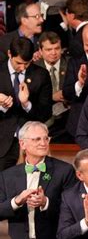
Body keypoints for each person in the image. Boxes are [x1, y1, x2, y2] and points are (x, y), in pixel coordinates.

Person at [0, 121, 76, 239]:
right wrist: (17, 201)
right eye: (37, 139)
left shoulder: (65, 170)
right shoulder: (7, 175)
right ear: (23, 144)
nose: (43, 143)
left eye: (46, 138)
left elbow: (73, 209)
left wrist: (45, 202)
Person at [0, 37, 52, 171]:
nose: (22, 68)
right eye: (19, 63)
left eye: (27, 63)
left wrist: (26, 104)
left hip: (32, 144)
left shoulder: (41, 75)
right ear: (9, 54)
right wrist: (2, 106)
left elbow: (46, 113)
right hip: (3, 144)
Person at [35, 31, 70, 140]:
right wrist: (51, 96)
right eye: (49, 49)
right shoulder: (34, 67)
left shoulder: (70, 64)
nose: (53, 53)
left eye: (57, 48)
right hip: (42, 120)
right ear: (40, 51)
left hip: (67, 117)